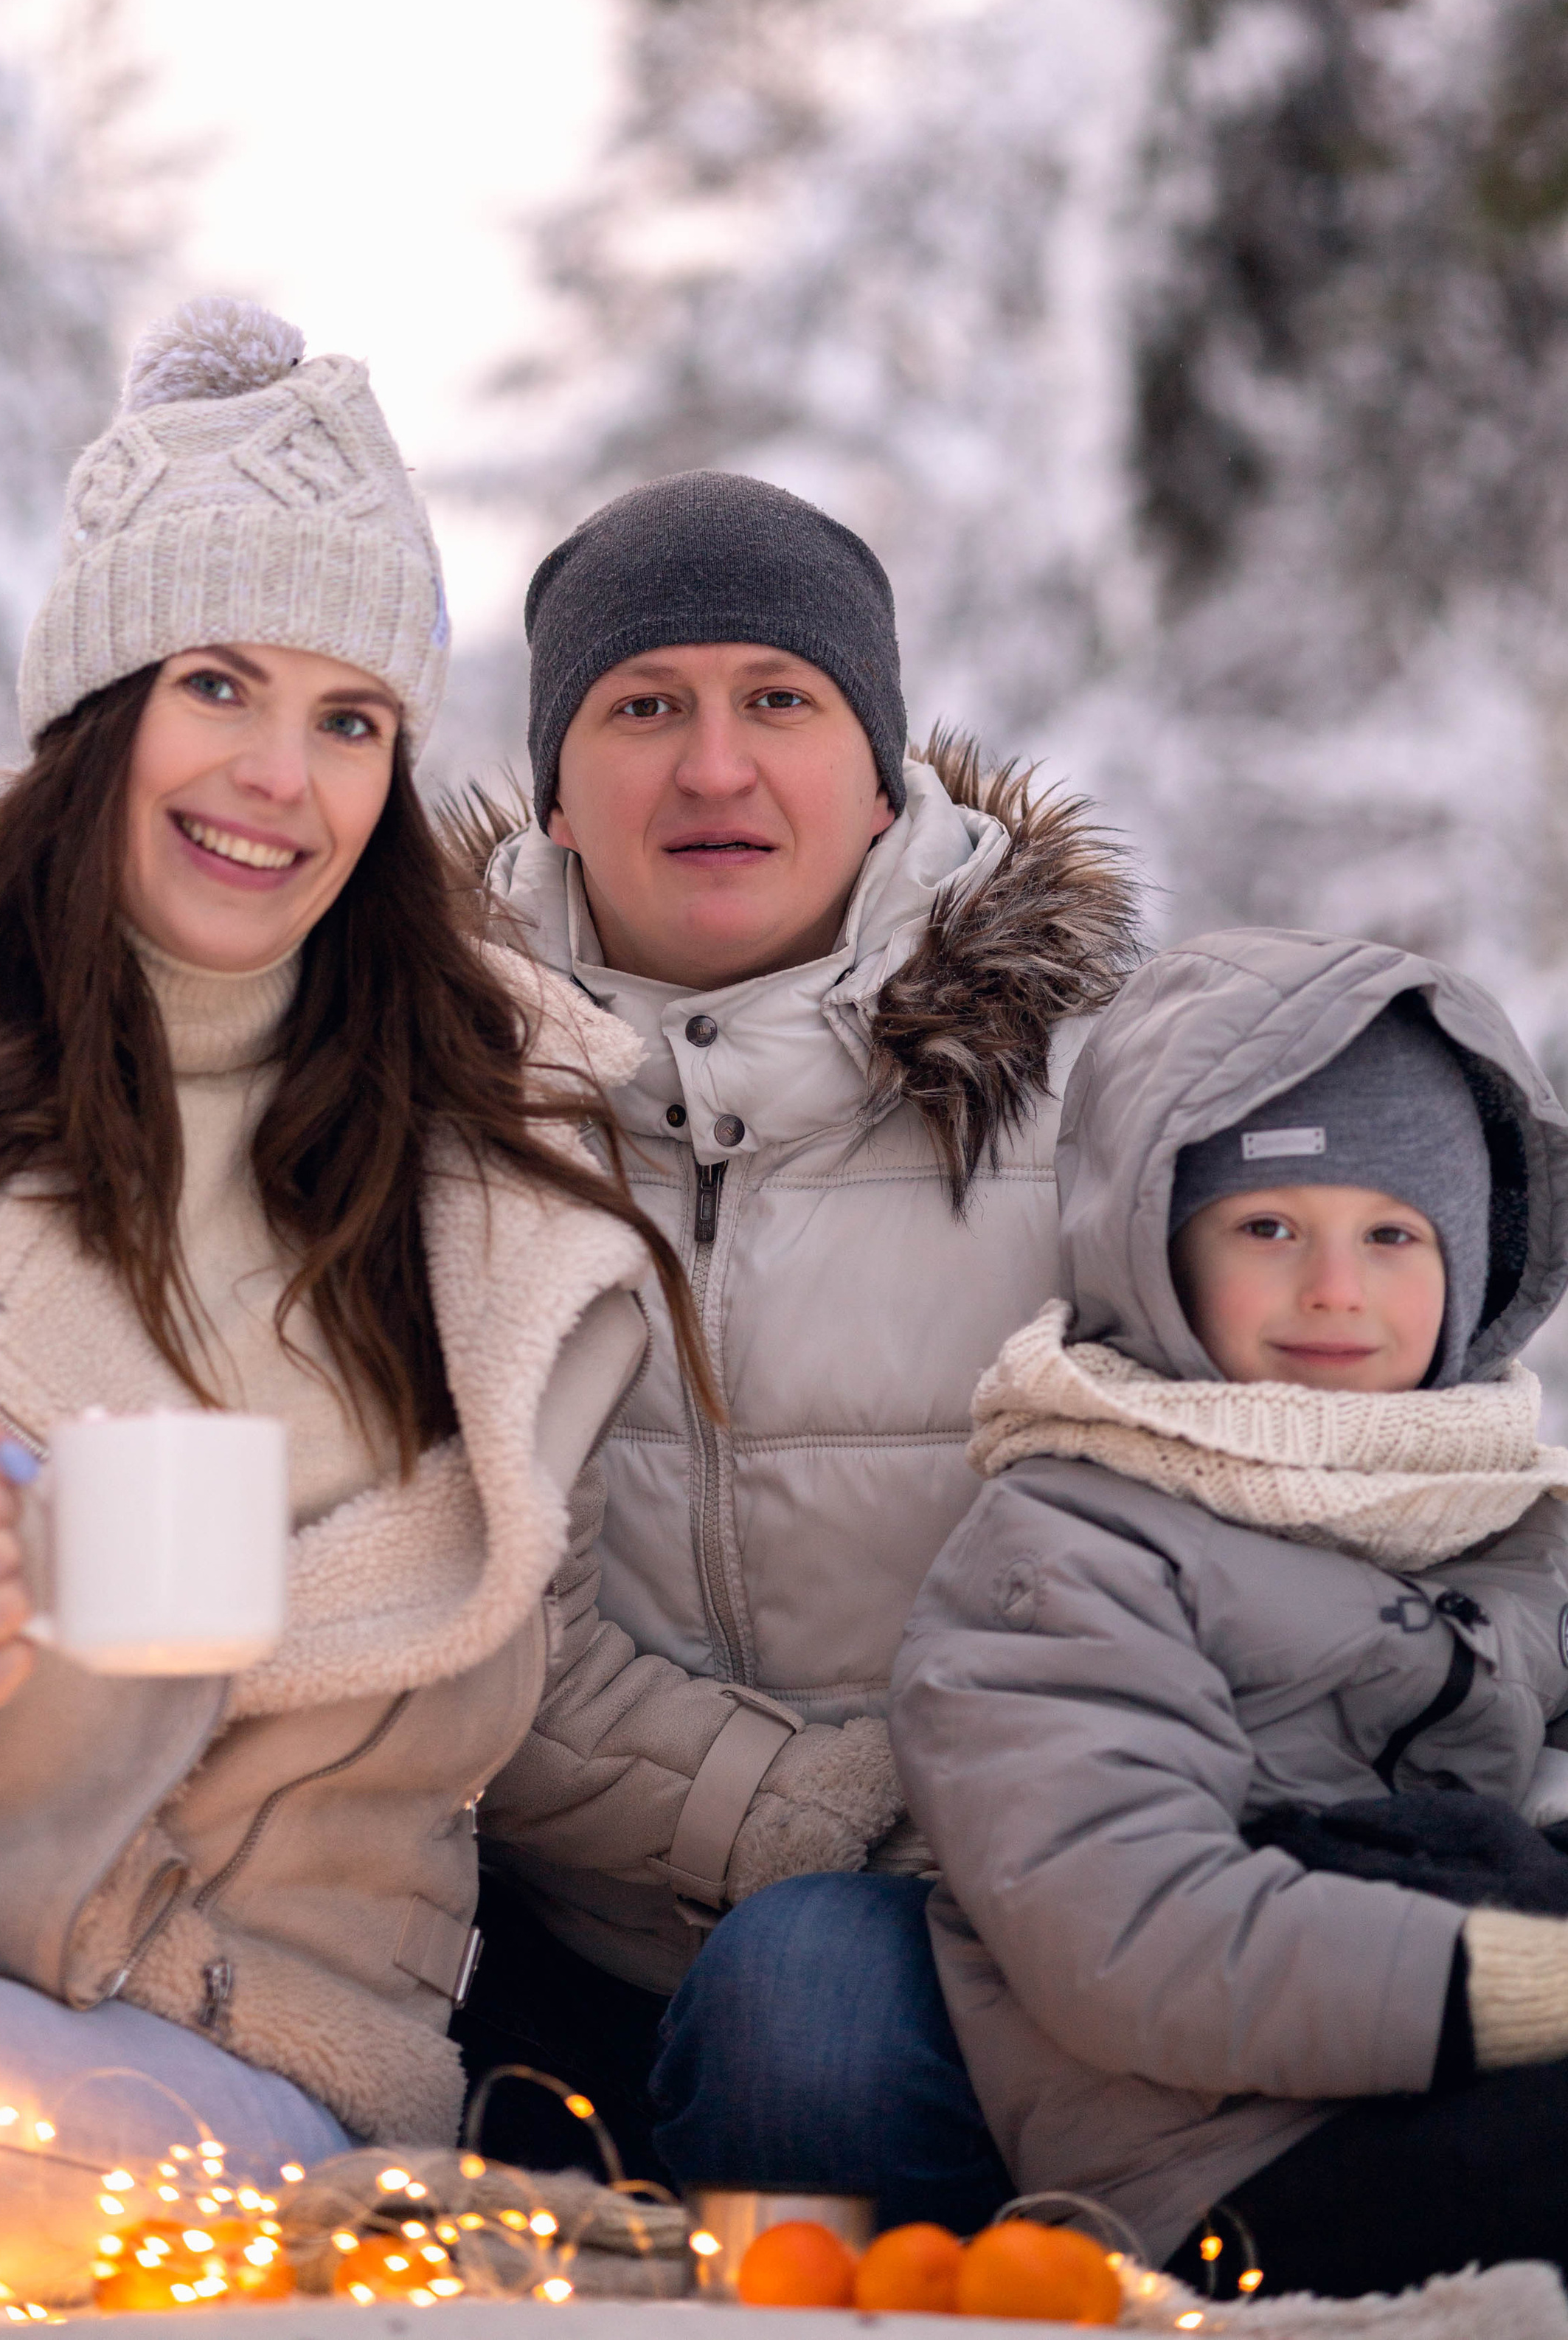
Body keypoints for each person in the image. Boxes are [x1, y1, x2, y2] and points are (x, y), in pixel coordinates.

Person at [0, 297, 738, 2313]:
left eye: (350, 720)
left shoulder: (506, 1166)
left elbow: (579, 1676)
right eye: (220, 684)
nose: (279, 777)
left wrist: (867, 1815)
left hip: (264, 2073)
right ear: (100, 704)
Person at [449, 471, 1140, 2207]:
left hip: (976, 1936)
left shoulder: (1097, 1104)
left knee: (810, 2014)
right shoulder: (414, 1107)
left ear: (878, 762)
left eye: (778, 698)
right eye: (642, 706)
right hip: (537, 1938)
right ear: (554, 783)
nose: (711, 767)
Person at [892, 927, 1568, 2339]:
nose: (1336, 1288)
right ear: (1158, 1253)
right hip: (1223, 2173)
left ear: (1470, 1268)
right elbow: (1134, 1933)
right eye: (1270, 1227)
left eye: (1393, 1235)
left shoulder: (1508, 1512)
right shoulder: (1074, 1548)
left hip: (1512, 2093)